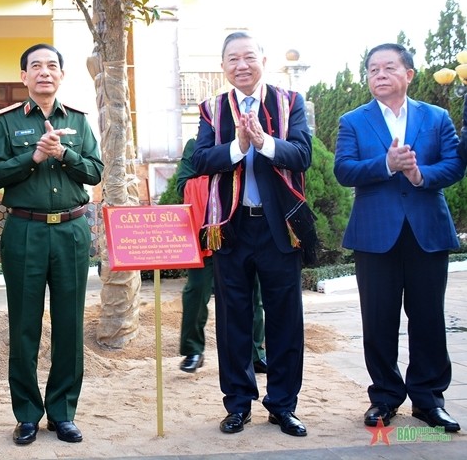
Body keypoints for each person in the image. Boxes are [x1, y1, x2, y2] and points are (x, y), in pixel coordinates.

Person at [334, 43, 463, 433]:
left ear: (408, 74)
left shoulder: (436, 117)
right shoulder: (353, 121)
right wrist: (387, 165)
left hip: (427, 230)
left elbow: (455, 163)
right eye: (373, 69)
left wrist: (421, 176)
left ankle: (428, 400)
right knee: (379, 320)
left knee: (428, 317)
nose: (380, 75)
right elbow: (344, 169)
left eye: (389, 67)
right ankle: (385, 398)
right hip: (375, 234)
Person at [193, 31, 313, 437]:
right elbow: (199, 161)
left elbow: (303, 155)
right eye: (232, 59)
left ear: (263, 59)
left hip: (280, 227)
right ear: (223, 66)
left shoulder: (290, 102)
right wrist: (235, 146)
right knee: (233, 321)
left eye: (249, 57)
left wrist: (263, 143)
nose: (241, 65)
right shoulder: (213, 108)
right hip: (230, 227)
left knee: (285, 321)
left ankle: (282, 405)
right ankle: (238, 404)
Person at [0, 43, 103, 446]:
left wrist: (64, 153)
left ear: (62, 75)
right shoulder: (8, 122)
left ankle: (63, 413)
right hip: (25, 231)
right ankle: (28, 414)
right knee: (24, 325)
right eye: (36, 66)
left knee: (69, 325)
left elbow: (94, 171)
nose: (44, 72)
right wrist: (33, 157)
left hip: (70, 230)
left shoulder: (80, 121)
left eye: (52, 66)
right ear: (24, 77)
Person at [175, 138, 266, 374]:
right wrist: (219, 185)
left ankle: (256, 353)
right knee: (196, 291)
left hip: (242, 231)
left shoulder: (249, 139)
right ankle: (193, 350)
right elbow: (182, 184)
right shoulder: (196, 145)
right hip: (206, 232)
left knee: (252, 293)